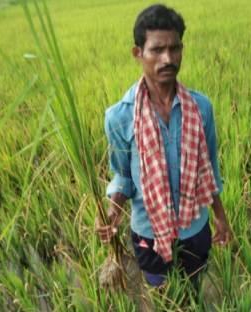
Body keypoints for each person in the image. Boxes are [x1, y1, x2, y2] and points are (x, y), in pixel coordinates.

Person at [96, 4, 232, 292]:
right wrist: (112, 213)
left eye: (174, 48)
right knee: (160, 291)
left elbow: (210, 168)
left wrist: (221, 218)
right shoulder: (119, 117)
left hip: (195, 227)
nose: (168, 58)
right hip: (148, 230)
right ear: (138, 53)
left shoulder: (201, 108)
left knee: (194, 285)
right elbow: (122, 176)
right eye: (157, 50)